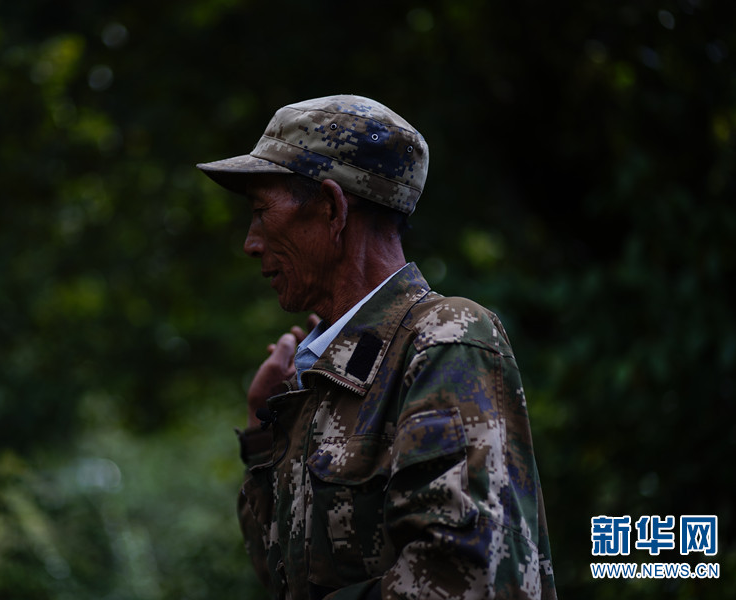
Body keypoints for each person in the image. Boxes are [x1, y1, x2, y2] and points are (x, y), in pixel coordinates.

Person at [197, 94, 556, 600]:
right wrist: (264, 429)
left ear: (331, 209)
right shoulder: (324, 375)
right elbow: (283, 579)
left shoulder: (446, 338)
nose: (250, 243)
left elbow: (462, 580)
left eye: (261, 212)